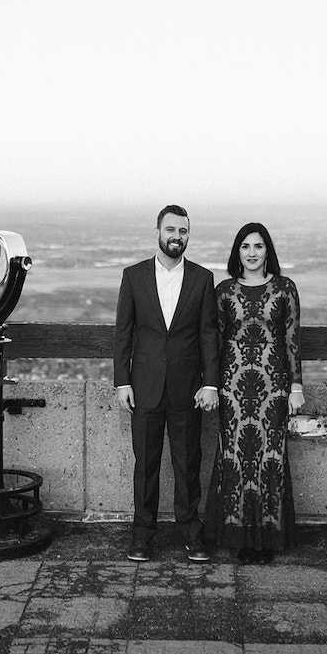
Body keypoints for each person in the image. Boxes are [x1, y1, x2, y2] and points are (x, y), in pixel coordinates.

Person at [113, 204, 220, 563]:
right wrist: (121, 382)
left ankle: (192, 534)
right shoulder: (133, 276)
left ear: (189, 235)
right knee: (145, 466)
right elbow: (123, 333)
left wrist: (210, 384)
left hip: (187, 389)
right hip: (143, 387)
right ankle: (142, 536)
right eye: (171, 230)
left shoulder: (204, 279)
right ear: (157, 232)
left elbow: (209, 335)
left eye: (183, 231)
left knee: (188, 465)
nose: (177, 236)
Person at [205, 222, 304, 563]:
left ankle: (267, 540)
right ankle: (237, 536)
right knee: (234, 458)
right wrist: (210, 385)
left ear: (267, 251)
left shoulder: (285, 289)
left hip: (273, 388)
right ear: (237, 252)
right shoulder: (224, 292)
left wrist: (296, 386)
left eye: (258, 246)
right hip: (232, 389)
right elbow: (215, 343)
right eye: (245, 247)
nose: (251, 253)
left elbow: (292, 340)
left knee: (269, 461)